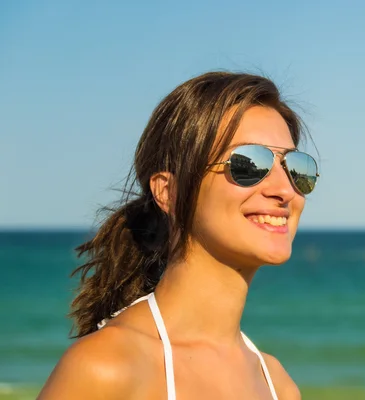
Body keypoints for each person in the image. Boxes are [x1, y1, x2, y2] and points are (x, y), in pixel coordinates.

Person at [38, 71, 320, 400]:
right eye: (247, 164)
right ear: (168, 192)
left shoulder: (278, 386)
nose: (285, 190)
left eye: (296, 168)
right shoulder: (108, 367)